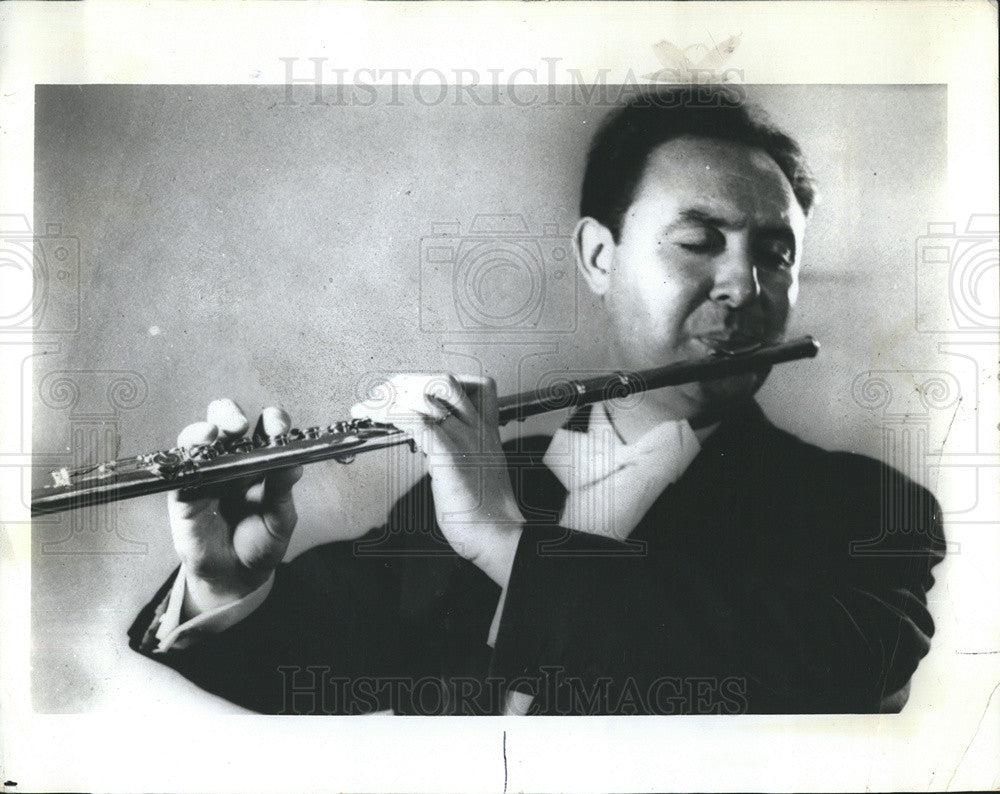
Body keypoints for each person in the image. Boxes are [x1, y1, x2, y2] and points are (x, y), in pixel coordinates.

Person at [129, 86, 945, 715]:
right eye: (699, 242)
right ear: (599, 256)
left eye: (776, 252)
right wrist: (227, 583)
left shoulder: (861, 507)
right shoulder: (492, 478)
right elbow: (308, 672)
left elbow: (825, 671)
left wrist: (505, 542)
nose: (745, 284)